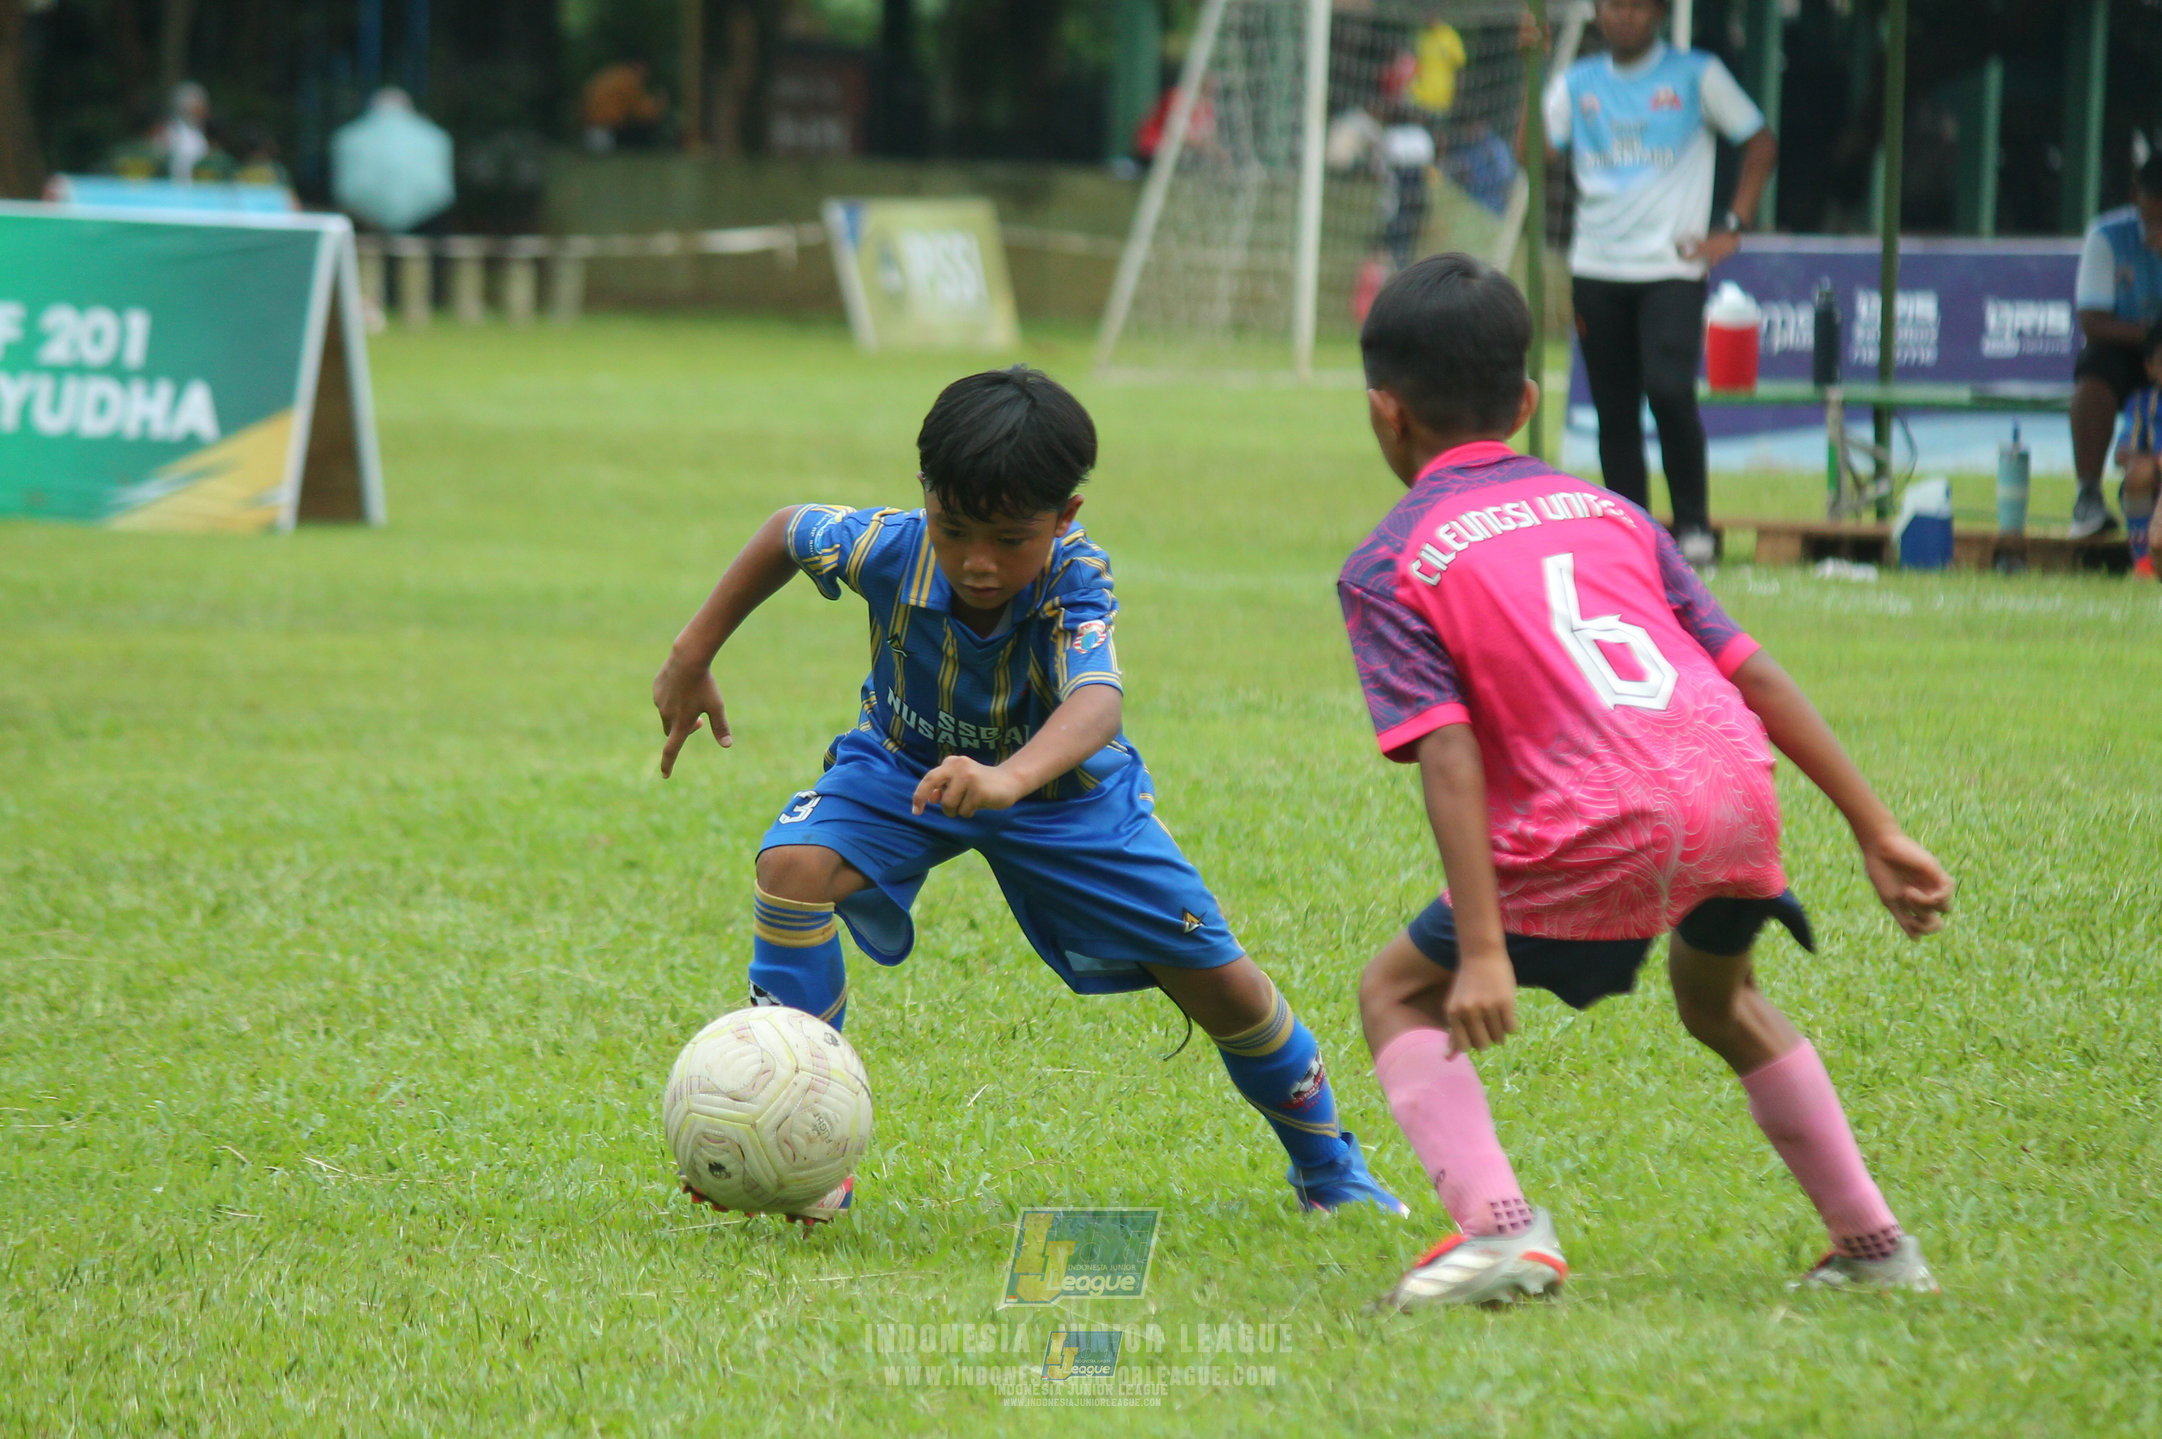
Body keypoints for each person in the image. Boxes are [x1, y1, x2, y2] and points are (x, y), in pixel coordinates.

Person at [1336, 255, 1954, 1309]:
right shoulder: (1613, 511)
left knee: (1395, 991)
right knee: (1721, 997)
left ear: (1383, 411)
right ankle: (1875, 1244)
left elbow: (1448, 754)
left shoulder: (1390, 561)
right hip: (1728, 788)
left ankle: (1497, 1229)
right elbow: (1749, 666)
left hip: (1598, 815)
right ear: (1524, 402)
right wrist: (1874, 827)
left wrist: (1481, 950)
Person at [650, 366, 1405, 1224]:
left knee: (1224, 986)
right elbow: (788, 530)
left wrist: (1008, 777)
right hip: (904, 764)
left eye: (1011, 538)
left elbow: (1097, 701)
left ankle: (1329, 1168)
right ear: (926, 495)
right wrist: (690, 653)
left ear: (1064, 516)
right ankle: (803, 1154)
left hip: (1065, 798)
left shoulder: (1076, 577)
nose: (979, 561)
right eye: (954, 529)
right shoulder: (885, 545)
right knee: (792, 865)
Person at [1543, 0, 1778, 568]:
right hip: (1597, 267)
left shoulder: (1697, 74)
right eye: (1612, 5)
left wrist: (1733, 225)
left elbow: (1760, 142)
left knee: (1670, 392)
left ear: (1659, 13)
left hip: (1671, 268)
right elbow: (1537, 154)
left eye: (1636, 5)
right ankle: (1634, 537)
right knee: (1614, 410)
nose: (1623, 16)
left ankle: (1694, 527)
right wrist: (1534, 69)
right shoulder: (1576, 82)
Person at [2068, 154, 2162, 540]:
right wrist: (2154, 340)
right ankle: (2088, 495)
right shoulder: (2107, 235)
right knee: (2094, 366)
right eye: (2155, 210)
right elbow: (2093, 322)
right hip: (2127, 352)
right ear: (2136, 196)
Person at [2114, 321, 2162, 579]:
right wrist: (2155, 461)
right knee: (2138, 471)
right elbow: (2122, 454)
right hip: (2156, 484)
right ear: (2150, 367)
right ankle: (2144, 561)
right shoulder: (2142, 404)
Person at [580, 60, 667, 152]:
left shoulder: (613, 75)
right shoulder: (629, 80)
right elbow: (643, 112)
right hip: (605, 128)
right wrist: (660, 103)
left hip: (590, 127)